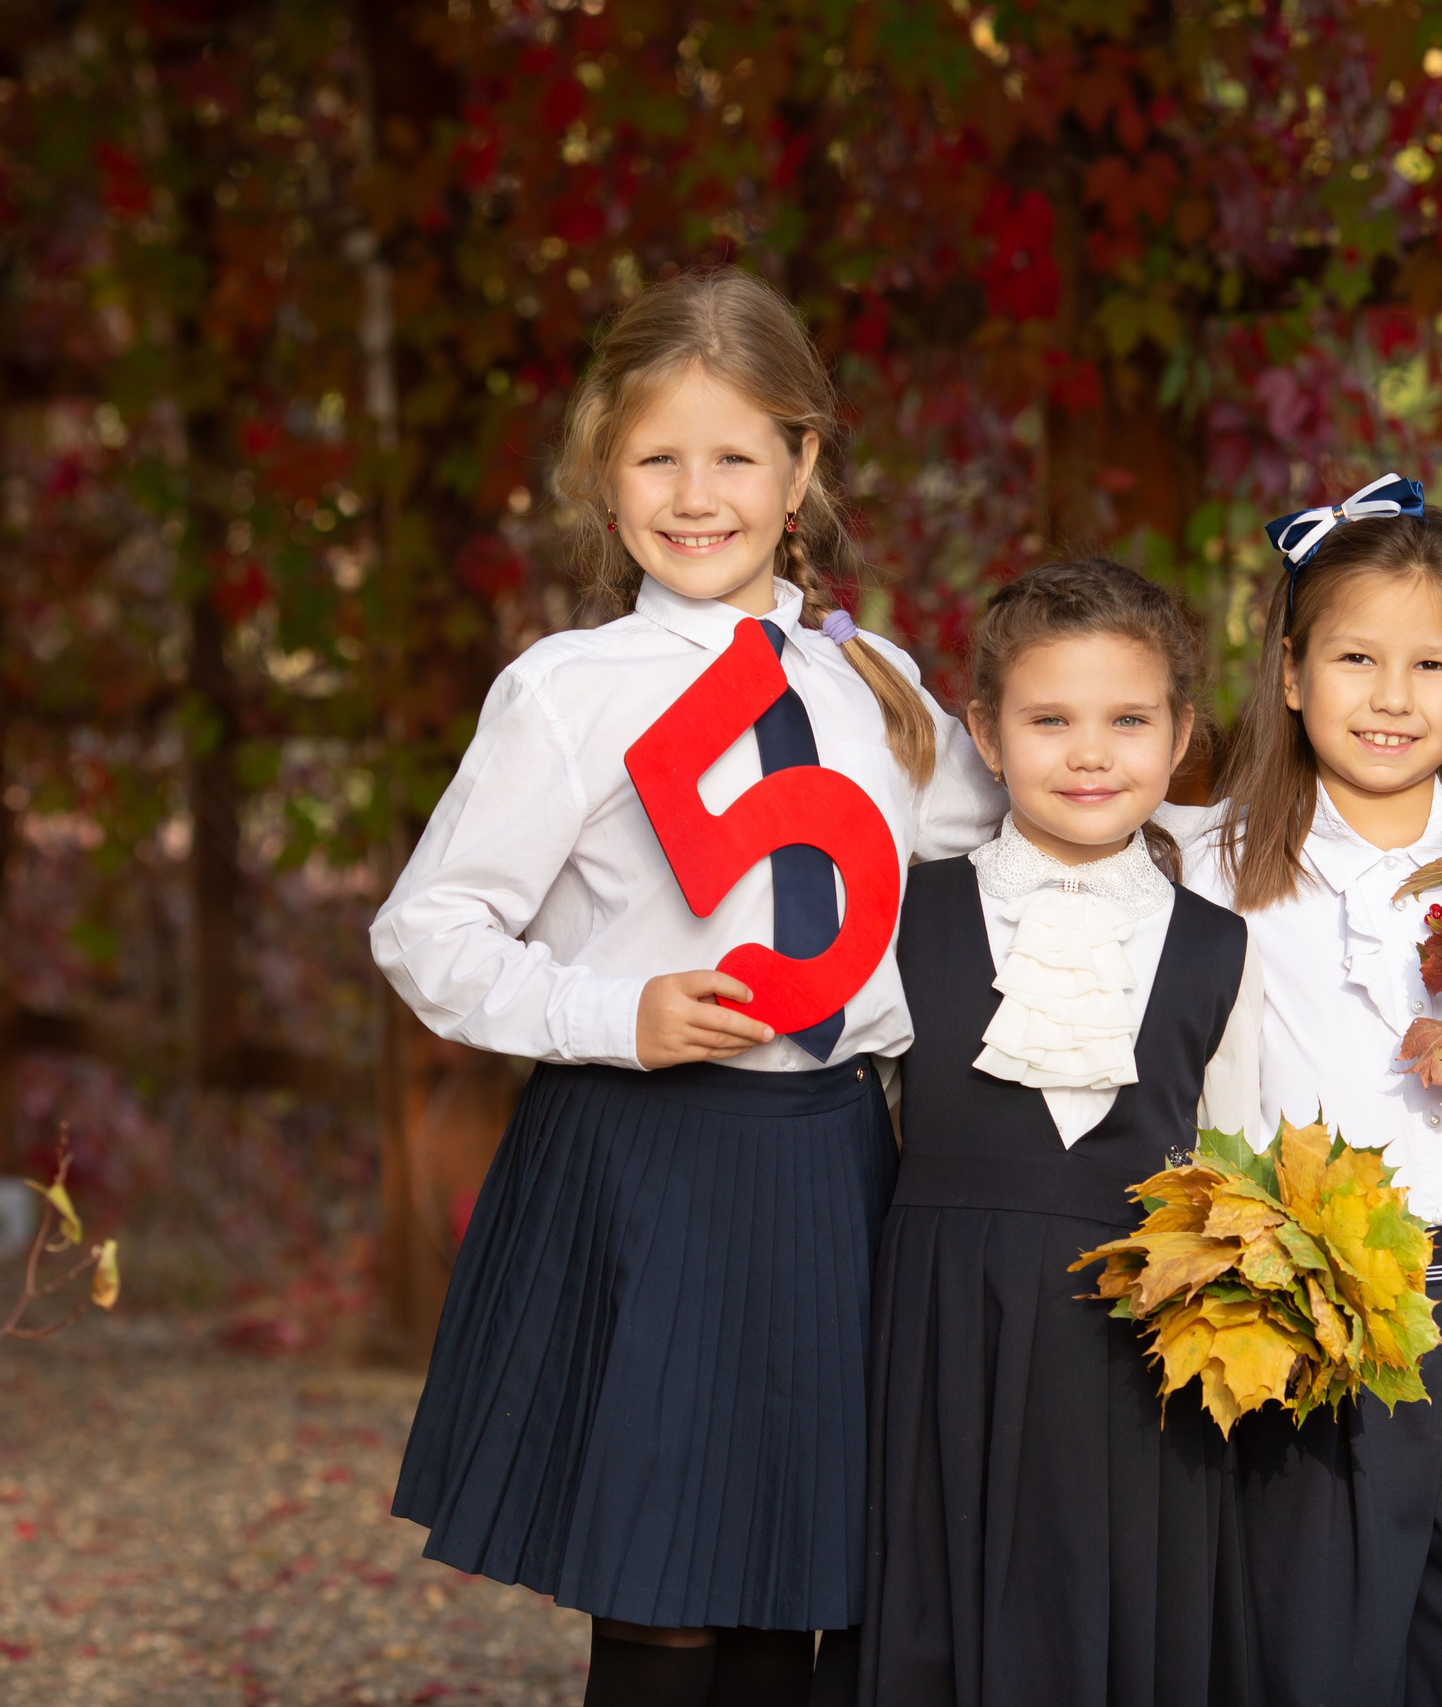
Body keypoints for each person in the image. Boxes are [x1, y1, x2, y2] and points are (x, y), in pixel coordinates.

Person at [370, 269, 1001, 1707]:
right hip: (645, 1160)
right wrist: (618, 1014)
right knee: (663, 1594)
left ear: (803, 468)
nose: (697, 495)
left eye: (735, 456)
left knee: (798, 1587)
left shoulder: (875, 682)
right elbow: (430, 929)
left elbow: (1021, 842)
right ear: (606, 471)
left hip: (835, 1167)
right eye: (658, 457)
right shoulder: (570, 688)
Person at [1178, 480, 1442, 1706]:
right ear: (1288, 672)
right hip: (1307, 1317)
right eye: (1355, 657)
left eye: (1431, 664)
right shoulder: (1205, 865)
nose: (1391, 696)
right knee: (1309, 1653)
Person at [860, 558, 1265, 1707]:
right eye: (1050, 720)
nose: (1090, 753)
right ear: (985, 736)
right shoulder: (907, 913)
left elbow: (1234, 1160)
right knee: (939, 1619)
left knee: (1116, 1625)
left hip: (1136, 1353)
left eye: (1127, 720)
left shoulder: (1218, 946)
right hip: (940, 1339)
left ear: (1180, 736)